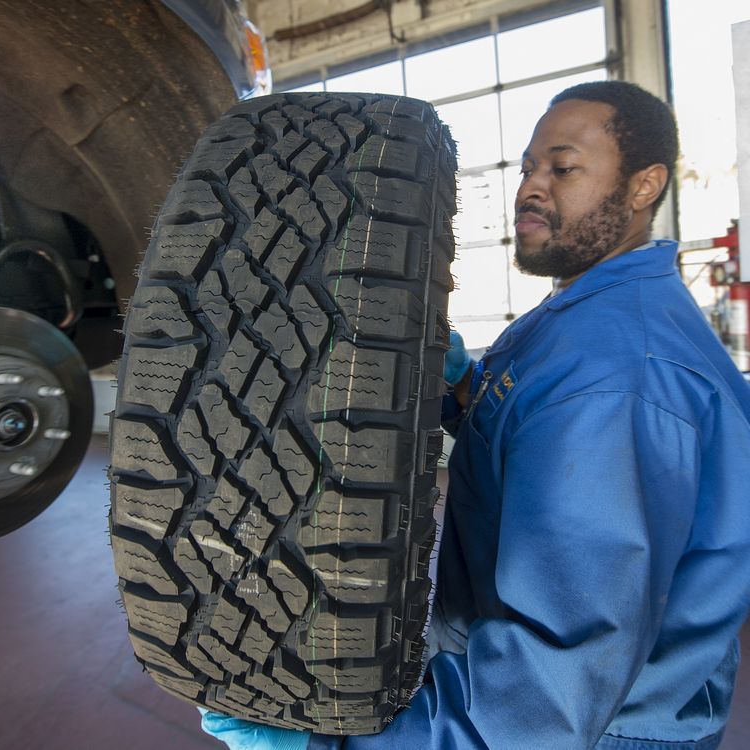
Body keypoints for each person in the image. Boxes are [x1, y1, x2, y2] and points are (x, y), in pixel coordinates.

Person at [200, 80, 750, 749]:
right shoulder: (584, 316)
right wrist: (462, 390)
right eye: (528, 167)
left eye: (563, 167)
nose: (532, 187)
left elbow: (540, 708)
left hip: (600, 729)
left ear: (644, 186)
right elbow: (531, 434)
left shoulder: (618, 379)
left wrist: (329, 746)